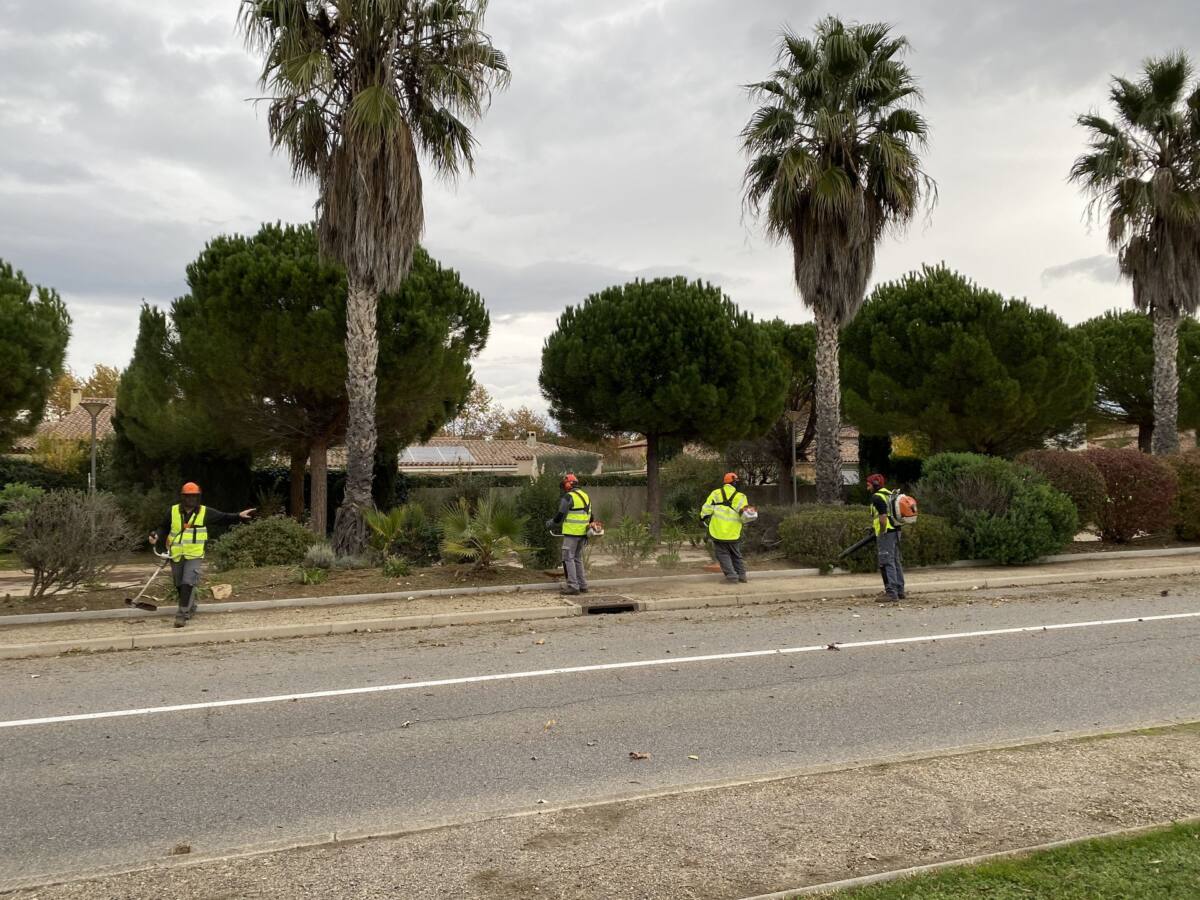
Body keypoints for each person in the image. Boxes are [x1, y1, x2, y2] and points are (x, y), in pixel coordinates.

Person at [151, 483, 255, 628]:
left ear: (198, 497)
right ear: (183, 497)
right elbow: (163, 527)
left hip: (195, 554)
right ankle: (190, 606)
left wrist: (239, 516)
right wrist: (156, 535)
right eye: (188, 496)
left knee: (188, 582)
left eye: (194, 496)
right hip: (176, 554)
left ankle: (182, 615)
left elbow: (224, 518)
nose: (191, 499)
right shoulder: (173, 511)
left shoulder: (205, 512)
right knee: (179, 584)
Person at [547, 473, 592, 596]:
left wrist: (551, 523)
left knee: (568, 558)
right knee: (577, 559)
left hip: (572, 533)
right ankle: (583, 585)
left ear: (568, 484)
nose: (564, 487)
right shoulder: (586, 496)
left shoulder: (568, 497)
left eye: (564, 484)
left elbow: (560, 515)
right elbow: (590, 516)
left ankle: (573, 586)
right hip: (583, 534)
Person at [701, 472, 749, 584]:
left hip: (718, 531)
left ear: (725, 482)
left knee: (722, 554)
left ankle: (732, 577)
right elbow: (745, 516)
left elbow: (707, 508)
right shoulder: (741, 497)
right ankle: (742, 575)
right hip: (734, 531)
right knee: (736, 554)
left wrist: (702, 518)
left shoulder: (716, 493)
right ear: (735, 483)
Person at [867, 473, 906, 602]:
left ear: (875, 485)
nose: (867, 487)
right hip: (896, 531)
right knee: (895, 560)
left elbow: (883, 518)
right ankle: (900, 591)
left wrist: (882, 531)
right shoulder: (889, 494)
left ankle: (891, 592)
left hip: (887, 533)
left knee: (886, 561)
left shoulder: (877, 497)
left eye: (868, 485)